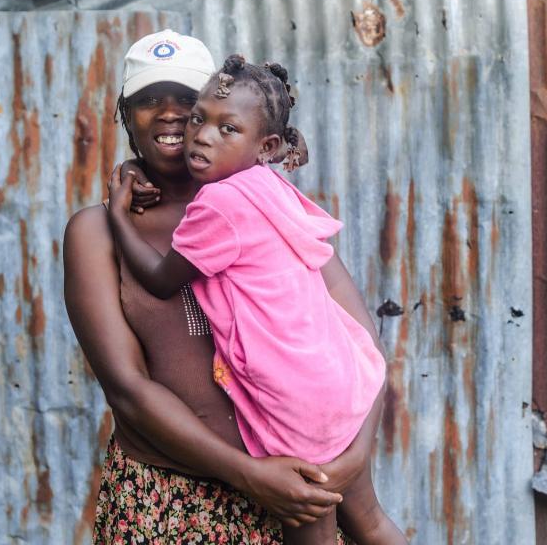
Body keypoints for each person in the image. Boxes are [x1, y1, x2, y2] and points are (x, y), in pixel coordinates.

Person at [63, 30, 383, 543]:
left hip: (298, 490)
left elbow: (357, 339)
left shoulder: (266, 207)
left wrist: (356, 454)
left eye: (188, 103)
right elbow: (128, 389)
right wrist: (249, 474)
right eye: (147, 101)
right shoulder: (96, 232)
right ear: (125, 117)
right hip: (166, 501)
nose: (170, 115)